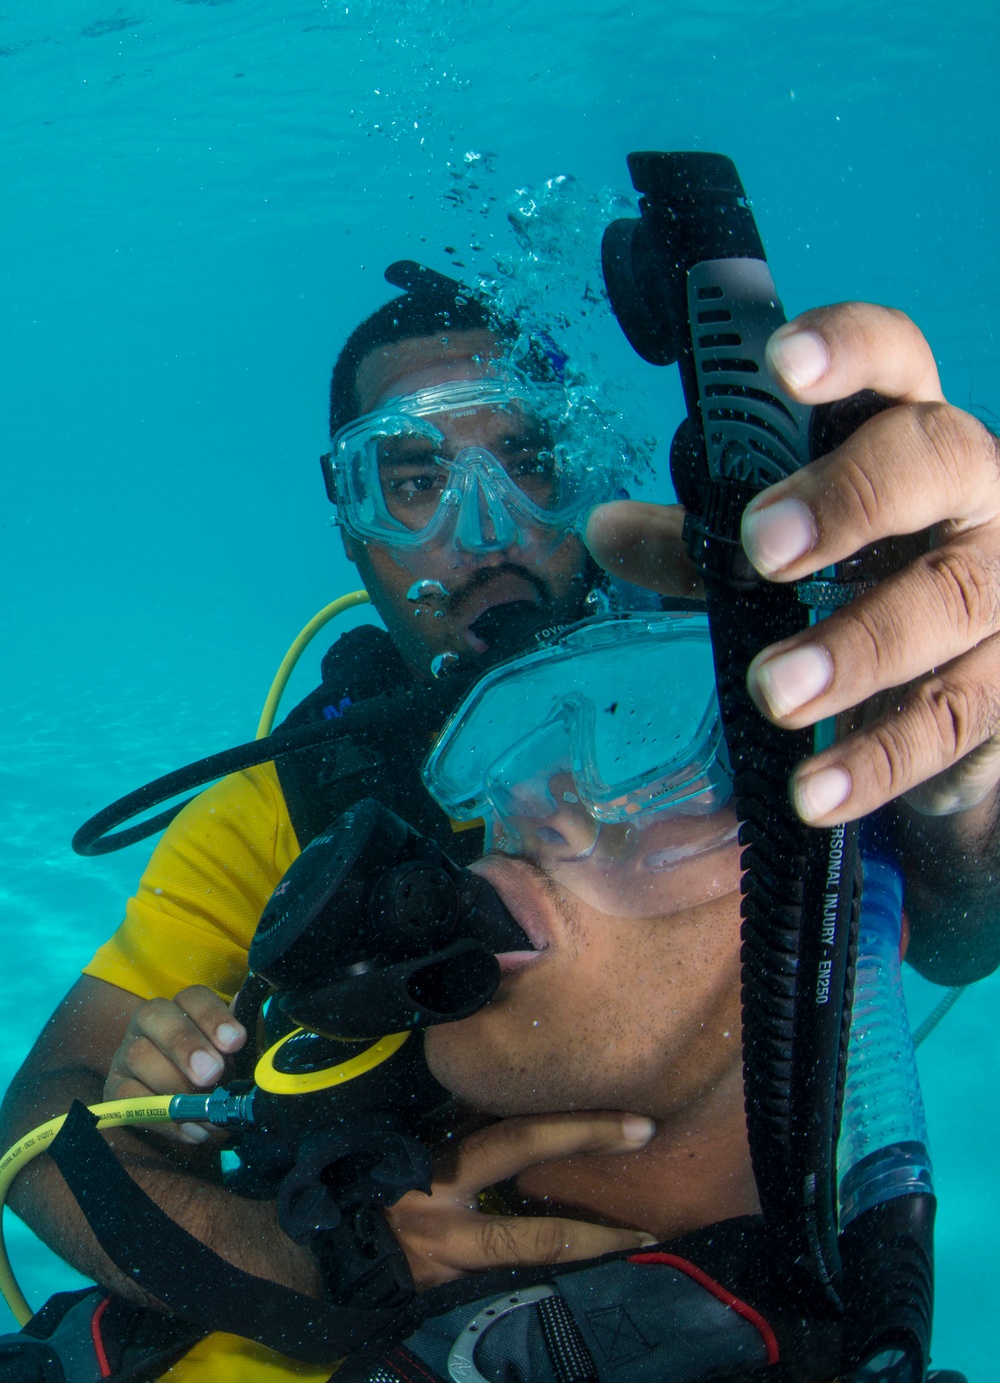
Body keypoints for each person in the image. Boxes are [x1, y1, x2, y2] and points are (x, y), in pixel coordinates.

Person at [1, 296, 999, 1383]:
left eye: (526, 459)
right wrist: (295, 1254)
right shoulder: (273, 817)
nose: (486, 536)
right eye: (417, 481)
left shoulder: (721, 718)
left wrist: (960, 766)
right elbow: (36, 1123)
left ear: (583, 470)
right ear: (352, 525)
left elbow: (939, 915)